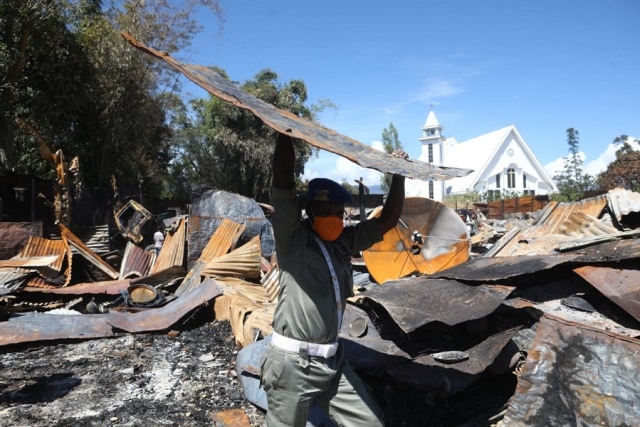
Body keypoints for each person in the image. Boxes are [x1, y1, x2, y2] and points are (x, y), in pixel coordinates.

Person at [261, 132, 407, 427]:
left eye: (340, 213)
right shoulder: (293, 239)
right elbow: (283, 181)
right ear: (309, 211)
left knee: (371, 423)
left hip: (332, 361)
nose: (335, 219)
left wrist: (399, 177)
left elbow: (388, 220)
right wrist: (285, 133)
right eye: (326, 212)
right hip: (292, 364)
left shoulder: (344, 242)